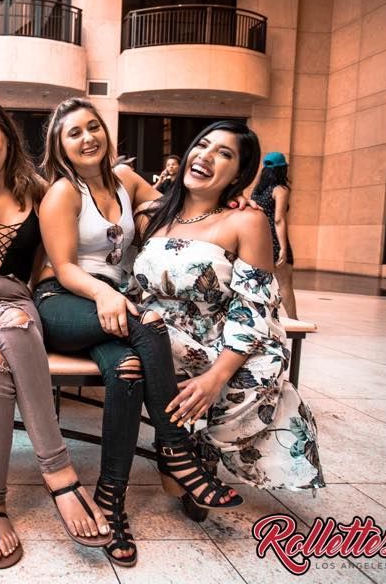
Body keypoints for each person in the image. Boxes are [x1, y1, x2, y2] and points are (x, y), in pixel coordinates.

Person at [33, 99, 242, 568]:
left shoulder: (125, 180)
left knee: (127, 371)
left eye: (93, 127)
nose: (87, 138)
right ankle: (176, 449)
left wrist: (231, 201)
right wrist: (104, 295)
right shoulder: (63, 192)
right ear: (60, 146)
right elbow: (63, 267)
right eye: (73, 133)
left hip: (110, 303)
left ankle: (110, 500)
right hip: (63, 301)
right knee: (150, 326)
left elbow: (177, 206)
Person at [0, 100, 111, 569]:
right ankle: (60, 473)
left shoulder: (41, 191)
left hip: (17, 300)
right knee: (13, 326)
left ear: (8, 137)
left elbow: (51, 256)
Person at [135, 120, 325, 493]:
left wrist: (215, 378)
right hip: (157, 336)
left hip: (222, 342)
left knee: (257, 373)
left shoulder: (246, 220)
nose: (206, 156)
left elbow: (253, 308)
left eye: (224, 153)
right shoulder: (151, 215)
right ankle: (178, 444)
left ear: (238, 174)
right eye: (202, 145)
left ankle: (203, 443)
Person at [251, 152, 297, 318]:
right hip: (274, 239)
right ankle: (294, 320)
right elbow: (278, 219)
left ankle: (262, 318)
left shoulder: (257, 190)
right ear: (283, 169)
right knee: (285, 283)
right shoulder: (280, 189)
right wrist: (283, 248)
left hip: (257, 238)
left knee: (260, 282)